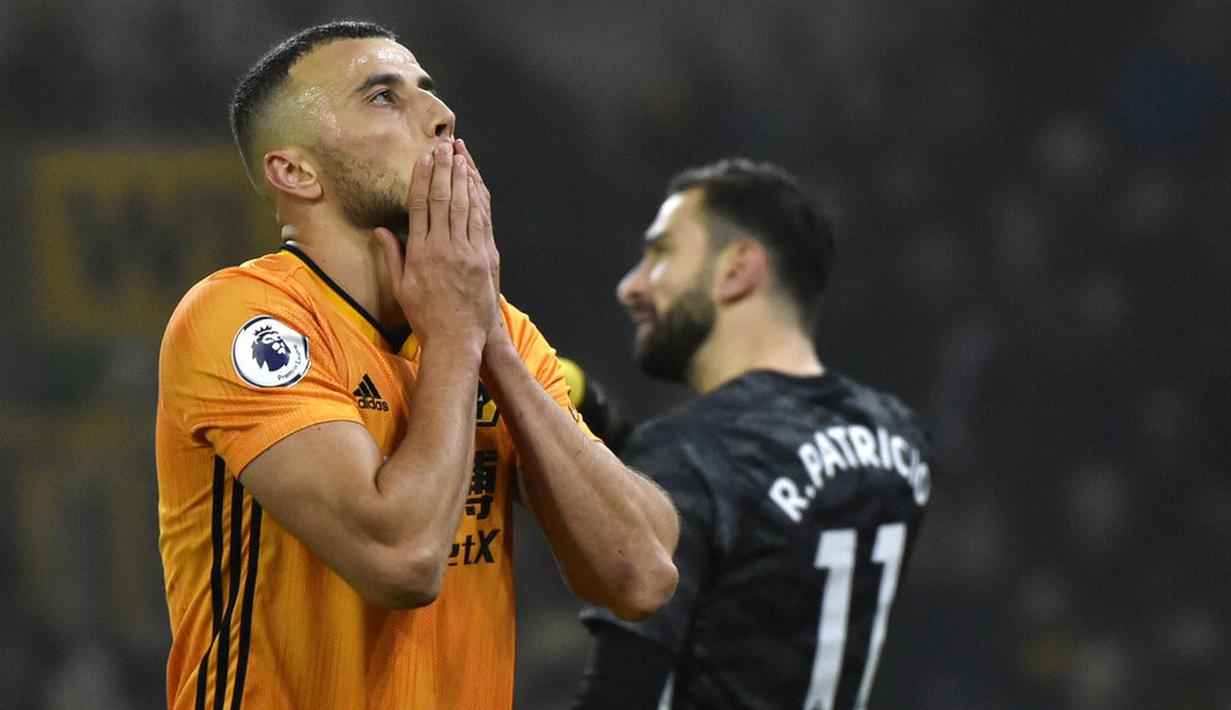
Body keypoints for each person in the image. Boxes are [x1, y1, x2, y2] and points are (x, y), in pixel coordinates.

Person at [155, 20, 679, 710]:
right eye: (382, 97)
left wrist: (489, 342)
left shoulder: (493, 331)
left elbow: (640, 576)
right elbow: (401, 561)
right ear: (296, 171)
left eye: (428, 92)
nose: (441, 115)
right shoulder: (247, 319)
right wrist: (462, 339)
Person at [573, 159, 933, 710]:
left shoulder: (693, 454)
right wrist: (596, 423)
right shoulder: (900, 440)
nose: (632, 286)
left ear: (737, 270)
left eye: (661, 252)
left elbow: (617, 697)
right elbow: (751, 531)